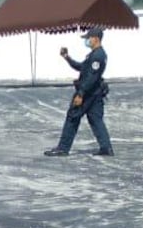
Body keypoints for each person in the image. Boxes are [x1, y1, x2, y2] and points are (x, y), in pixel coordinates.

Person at [44, 27, 113, 157]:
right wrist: (67, 57)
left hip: (88, 93)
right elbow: (81, 67)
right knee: (96, 119)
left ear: (96, 39)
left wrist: (81, 93)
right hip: (95, 93)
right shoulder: (94, 54)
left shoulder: (97, 56)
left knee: (73, 117)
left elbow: (91, 77)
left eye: (88, 38)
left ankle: (63, 148)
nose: (87, 40)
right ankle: (106, 148)